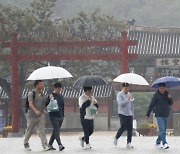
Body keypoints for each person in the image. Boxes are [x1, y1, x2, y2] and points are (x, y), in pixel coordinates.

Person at [146, 82, 173, 149]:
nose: (162, 89)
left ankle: (158, 142)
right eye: (161, 88)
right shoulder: (156, 95)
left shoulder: (167, 94)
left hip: (166, 113)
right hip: (159, 114)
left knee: (163, 130)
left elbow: (171, 103)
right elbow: (151, 105)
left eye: (163, 88)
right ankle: (164, 143)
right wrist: (148, 114)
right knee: (162, 129)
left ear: (165, 88)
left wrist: (169, 98)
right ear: (158, 88)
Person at [24, 80, 48, 151]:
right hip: (32, 116)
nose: (42, 86)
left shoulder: (43, 95)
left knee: (42, 130)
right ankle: (26, 143)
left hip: (41, 115)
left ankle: (44, 144)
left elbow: (44, 104)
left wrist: (43, 110)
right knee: (29, 130)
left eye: (42, 84)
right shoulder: (31, 94)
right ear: (37, 85)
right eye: (41, 84)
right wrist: (36, 111)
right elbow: (30, 104)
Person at [113, 82, 134, 148]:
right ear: (122, 87)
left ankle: (129, 142)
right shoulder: (119, 94)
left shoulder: (129, 94)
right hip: (122, 113)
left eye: (128, 88)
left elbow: (131, 105)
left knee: (130, 128)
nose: (127, 89)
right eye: (126, 88)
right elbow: (120, 104)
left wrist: (132, 113)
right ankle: (116, 138)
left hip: (129, 113)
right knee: (123, 126)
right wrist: (127, 99)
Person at [46, 82, 65, 151]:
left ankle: (50, 144)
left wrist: (62, 115)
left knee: (55, 131)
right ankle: (60, 144)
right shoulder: (51, 96)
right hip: (53, 116)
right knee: (57, 129)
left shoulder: (61, 96)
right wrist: (50, 100)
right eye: (58, 88)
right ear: (55, 88)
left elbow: (62, 106)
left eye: (60, 88)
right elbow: (46, 105)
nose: (59, 90)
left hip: (60, 116)